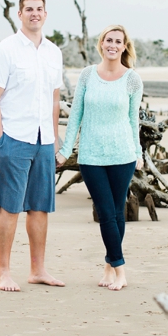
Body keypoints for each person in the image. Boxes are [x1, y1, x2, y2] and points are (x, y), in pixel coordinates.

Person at [0, 0, 66, 292]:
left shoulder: (53, 52)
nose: (35, 13)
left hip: (44, 140)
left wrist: (56, 140)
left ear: (46, 14)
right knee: (10, 207)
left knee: (40, 207)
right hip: (14, 138)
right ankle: (3, 272)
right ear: (20, 14)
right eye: (29, 9)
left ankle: (38, 270)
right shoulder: (5, 50)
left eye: (39, 9)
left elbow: (55, 99)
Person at [56, 25, 143, 291]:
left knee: (117, 213)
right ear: (101, 44)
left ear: (124, 46)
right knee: (105, 212)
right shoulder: (87, 75)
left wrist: (138, 154)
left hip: (122, 155)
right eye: (109, 40)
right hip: (91, 156)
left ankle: (111, 267)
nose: (113, 45)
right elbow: (76, 115)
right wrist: (65, 149)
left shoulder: (132, 79)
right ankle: (121, 270)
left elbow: (132, 120)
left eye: (118, 41)